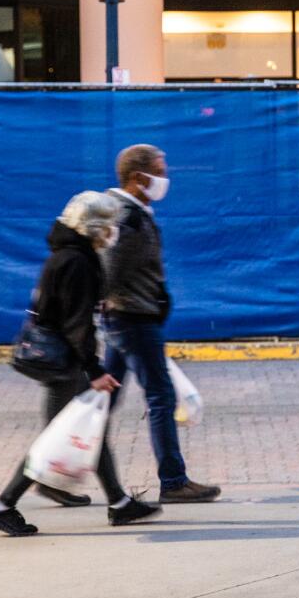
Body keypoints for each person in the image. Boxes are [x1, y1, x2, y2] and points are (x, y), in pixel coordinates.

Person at [0, 191, 162, 536]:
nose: (114, 232)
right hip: (64, 364)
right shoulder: (78, 262)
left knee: (90, 431)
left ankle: (120, 503)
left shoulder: (68, 253)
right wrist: (94, 370)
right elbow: (76, 323)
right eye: (110, 225)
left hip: (63, 360)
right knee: (55, 439)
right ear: (95, 226)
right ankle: (2, 506)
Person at [102, 145, 221, 504]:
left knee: (102, 399)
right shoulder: (128, 218)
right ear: (138, 178)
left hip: (128, 317)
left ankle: (59, 468)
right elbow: (109, 273)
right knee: (161, 396)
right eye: (160, 170)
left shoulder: (135, 212)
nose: (165, 178)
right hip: (133, 320)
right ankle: (173, 481)